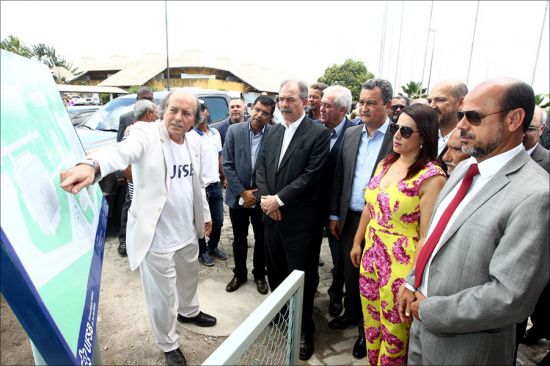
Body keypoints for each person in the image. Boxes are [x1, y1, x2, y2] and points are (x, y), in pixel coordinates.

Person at [60, 91, 218, 366]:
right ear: (162, 111)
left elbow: (197, 184)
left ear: (195, 119)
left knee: (189, 278)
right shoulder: (145, 134)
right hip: (156, 236)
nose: (178, 118)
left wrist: (204, 214)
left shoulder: (193, 142)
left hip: (186, 232)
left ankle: (189, 312)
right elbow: (121, 152)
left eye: (186, 113)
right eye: (173, 110)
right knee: (163, 296)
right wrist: (92, 165)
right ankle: (169, 344)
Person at [398, 78, 549, 365]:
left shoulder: (536, 195)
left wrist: (430, 310)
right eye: (461, 115)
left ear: (514, 119)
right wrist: (412, 281)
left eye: (474, 117)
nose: (461, 126)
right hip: (419, 330)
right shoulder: (464, 168)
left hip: (468, 348)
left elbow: (510, 297)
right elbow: (435, 238)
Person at [350, 104, 446, 365]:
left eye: (405, 130)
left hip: (401, 267)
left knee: (395, 333)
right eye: (395, 127)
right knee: (371, 323)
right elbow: (371, 205)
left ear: (424, 136)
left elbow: (428, 235)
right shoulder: (386, 162)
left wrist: (413, 282)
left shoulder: (432, 177)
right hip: (371, 255)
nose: (396, 135)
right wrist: (358, 241)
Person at [256, 80, 330, 361]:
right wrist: (266, 200)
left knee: (301, 278)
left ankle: (303, 330)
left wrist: (279, 200)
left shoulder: (318, 134)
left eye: (290, 99)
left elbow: (311, 176)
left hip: (300, 224)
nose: (284, 104)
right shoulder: (273, 131)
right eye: (280, 99)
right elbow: (261, 167)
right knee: (275, 271)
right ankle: (281, 318)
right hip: (271, 218)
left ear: (304, 101)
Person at [328, 78, 395, 359]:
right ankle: (351, 314)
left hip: (381, 224)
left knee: (372, 278)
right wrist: (334, 214)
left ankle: (365, 333)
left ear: (388, 106)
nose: (364, 108)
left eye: (371, 102)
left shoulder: (399, 138)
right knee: (347, 270)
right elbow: (339, 177)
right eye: (361, 102)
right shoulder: (352, 134)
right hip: (349, 217)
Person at [222, 95, 275, 295]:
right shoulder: (234, 131)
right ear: (251, 108)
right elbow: (227, 164)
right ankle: (240, 274)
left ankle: (260, 274)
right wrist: (243, 193)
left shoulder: (274, 134)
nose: (259, 115)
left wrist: (256, 194)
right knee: (239, 238)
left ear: (270, 117)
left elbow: (273, 169)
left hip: (262, 196)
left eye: (265, 113)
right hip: (238, 194)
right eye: (257, 110)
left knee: (262, 238)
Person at [316, 85, 356, 318]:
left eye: (327, 105)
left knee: (339, 256)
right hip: (312, 206)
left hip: (338, 209)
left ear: (342, 110)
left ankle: (336, 295)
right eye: (321, 104)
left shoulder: (355, 133)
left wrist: (334, 214)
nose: (321, 108)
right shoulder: (314, 130)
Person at [116, 86, 154, 256]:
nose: (148, 101)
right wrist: (123, 175)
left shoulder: (156, 119)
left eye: (150, 98)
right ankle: (124, 240)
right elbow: (120, 148)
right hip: (133, 175)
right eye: (144, 98)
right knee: (129, 206)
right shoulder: (127, 120)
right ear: (137, 99)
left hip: (149, 176)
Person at [193, 102, 227, 267]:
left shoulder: (215, 133)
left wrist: (224, 176)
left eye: (202, 109)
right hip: (201, 187)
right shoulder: (191, 137)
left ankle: (212, 247)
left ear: (207, 112)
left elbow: (219, 157)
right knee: (201, 223)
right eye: (196, 111)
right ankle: (202, 251)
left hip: (216, 185)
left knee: (219, 221)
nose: (200, 113)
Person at [427, 80, 468, 156]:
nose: (431, 106)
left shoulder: (469, 140)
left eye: (439, 100)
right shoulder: (425, 136)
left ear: (461, 103)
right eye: (429, 101)